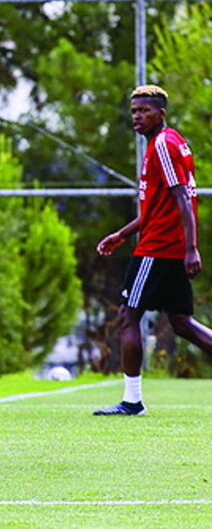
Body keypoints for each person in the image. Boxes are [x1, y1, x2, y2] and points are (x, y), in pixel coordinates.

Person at [94, 85, 212, 416]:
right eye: (134, 111)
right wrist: (121, 233)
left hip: (158, 249)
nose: (137, 116)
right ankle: (131, 400)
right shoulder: (166, 143)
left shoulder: (162, 145)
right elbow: (154, 209)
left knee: (128, 315)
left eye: (144, 111)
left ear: (161, 113)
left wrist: (192, 249)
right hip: (164, 243)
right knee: (182, 323)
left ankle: (132, 401)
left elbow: (183, 199)